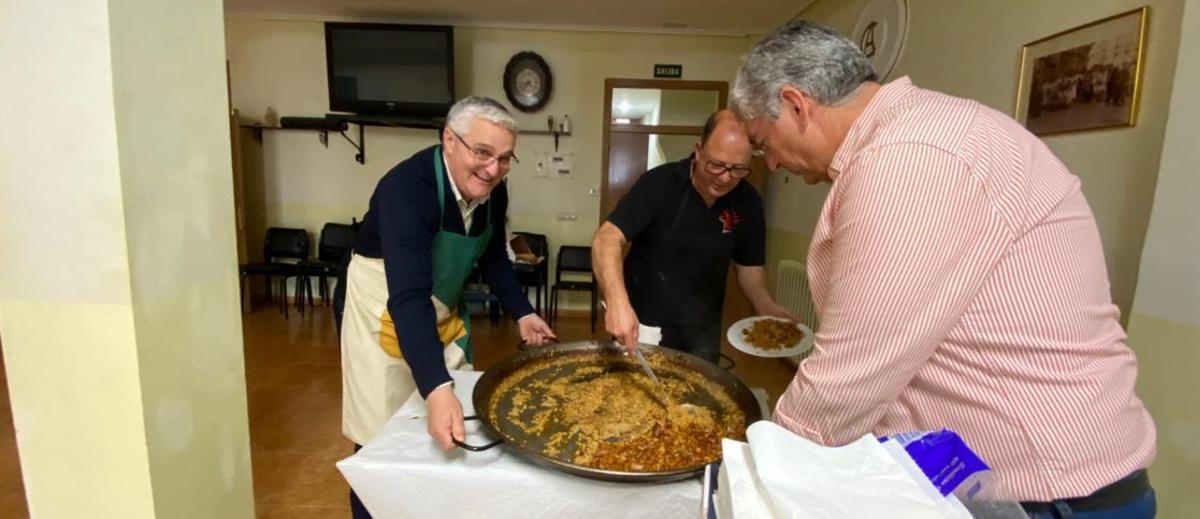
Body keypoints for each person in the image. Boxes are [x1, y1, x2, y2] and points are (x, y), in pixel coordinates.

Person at [730, 21, 1157, 517]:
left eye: (764, 143)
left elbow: (852, 373)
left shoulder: (909, 157)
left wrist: (756, 476)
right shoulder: (928, 132)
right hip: (1006, 483)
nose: (774, 165)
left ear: (797, 104)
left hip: (1051, 496)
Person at [338, 96, 556, 517]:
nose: (493, 169)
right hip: (380, 307)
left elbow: (493, 255)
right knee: (381, 438)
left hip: (437, 309)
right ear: (449, 140)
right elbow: (407, 296)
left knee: (449, 428)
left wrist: (523, 312)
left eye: (505, 158)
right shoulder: (407, 189)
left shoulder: (493, 190)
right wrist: (436, 388)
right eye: (482, 152)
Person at [592, 110, 795, 364]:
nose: (724, 177)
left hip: (702, 334)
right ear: (698, 151)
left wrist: (766, 305)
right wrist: (617, 301)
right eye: (716, 165)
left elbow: (749, 267)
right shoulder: (659, 184)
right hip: (642, 326)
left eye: (738, 170)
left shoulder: (748, 201)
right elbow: (606, 239)